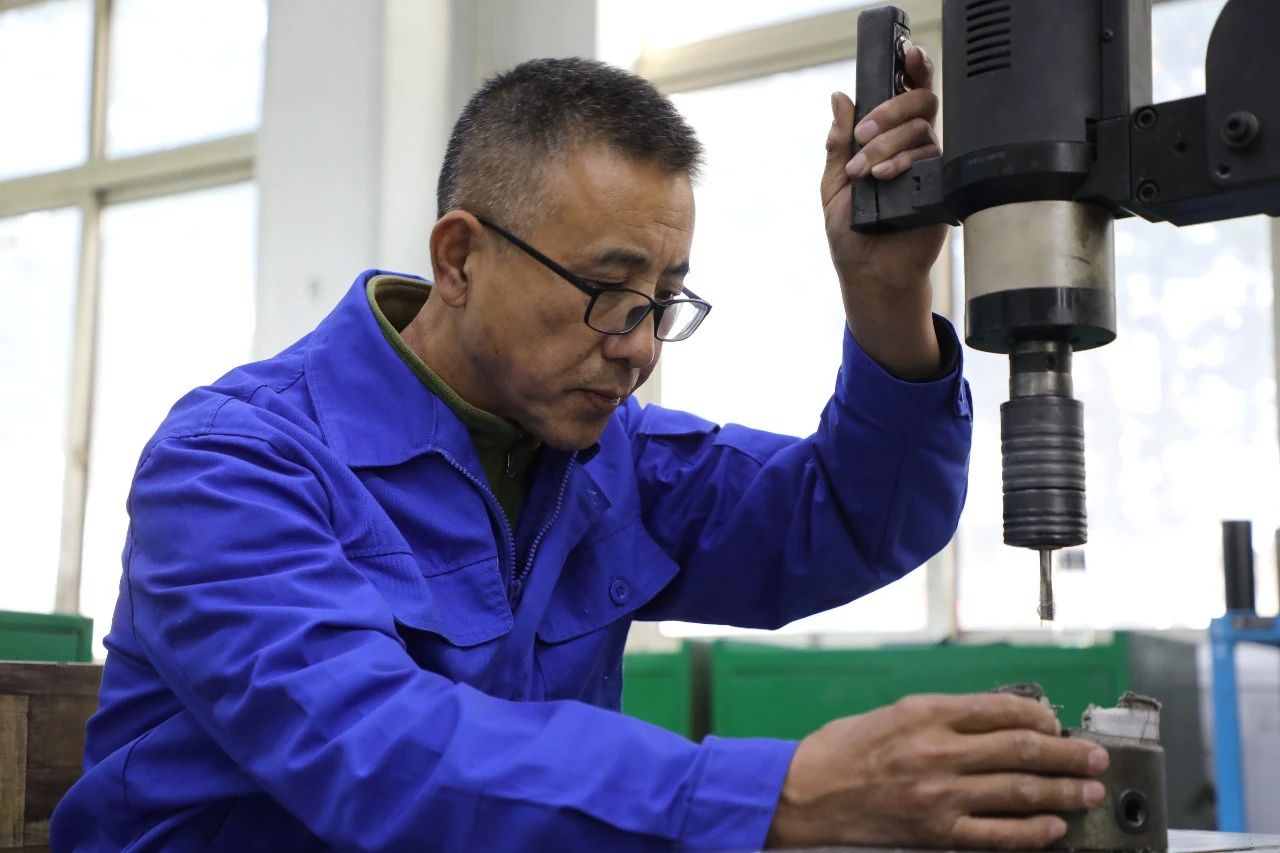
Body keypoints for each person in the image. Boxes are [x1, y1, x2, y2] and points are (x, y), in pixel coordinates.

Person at [52, 54, 1107, 851]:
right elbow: (372, 752)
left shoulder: (607, 457)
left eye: (661, 300)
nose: (638, 346)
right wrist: (783, 793)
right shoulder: (234, 467)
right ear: (459, 257)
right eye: (606, 291)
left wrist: (885, 296)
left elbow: (846, 518)